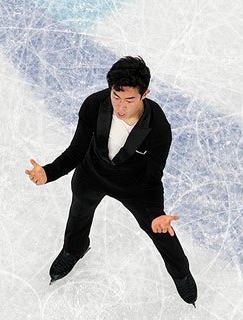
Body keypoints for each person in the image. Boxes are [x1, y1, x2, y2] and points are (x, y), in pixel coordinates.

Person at [25, 56, 197, 306]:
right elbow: (76, 150)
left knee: (161, 231)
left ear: (144, 94)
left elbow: (153, 179)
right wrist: (48, 173)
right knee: (79, 214)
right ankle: (75, 249)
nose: (121, 106)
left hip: (134, 187)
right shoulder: (94, 105)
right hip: (92, 174)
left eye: (129, 99)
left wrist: (157, 212)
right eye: (116, 97)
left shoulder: (159, 128)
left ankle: (181, 273)